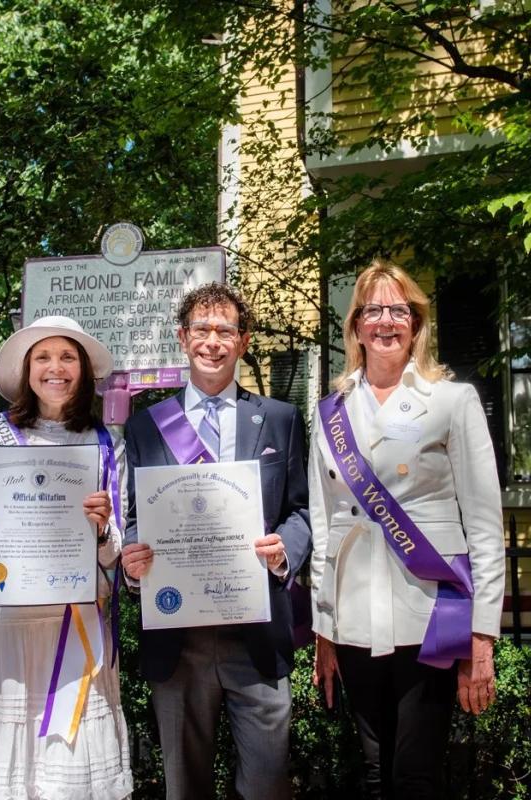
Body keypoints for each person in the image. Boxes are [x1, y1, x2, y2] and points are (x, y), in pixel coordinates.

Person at [309, 258, 506, 798]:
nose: (386, 321)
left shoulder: (451, 400)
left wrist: (482, 636)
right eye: (373, 310)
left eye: (399, 309)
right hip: (351, 616)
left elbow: (485, 526)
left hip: (429, 613)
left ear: (416, 323)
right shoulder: (330, 411)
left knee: (415, 775)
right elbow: (324, 527)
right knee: (373, 774)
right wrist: (323, 628)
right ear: (356, 327)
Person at [121, 283, 312, 800]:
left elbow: (300, 510)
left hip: (256, 632)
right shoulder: (145, 426)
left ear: (243, 340)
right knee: (186, 787)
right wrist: (133, 561)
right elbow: (134, 516)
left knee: (268, 785)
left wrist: (285, 551)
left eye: (225, 330)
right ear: (183, 339)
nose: (212, 341)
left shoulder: (278, 419)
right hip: (177, 636)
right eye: (201, 330)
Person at [0, 316, 133, 800]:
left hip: (72, 624)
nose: (55, 368)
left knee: (64, 773)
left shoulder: (107, 443)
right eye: (43, 357)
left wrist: (103, 529)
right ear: (26, 370)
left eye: (67, 358)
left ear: (83, 370)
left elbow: (115, 552)